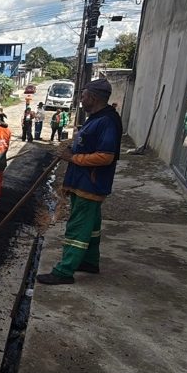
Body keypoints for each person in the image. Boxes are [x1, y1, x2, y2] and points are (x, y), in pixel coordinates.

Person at [36, 79, 123, 285]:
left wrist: (72, 158)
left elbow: (106, 156)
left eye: (83, 96)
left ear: (92, 98)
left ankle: (64, 271)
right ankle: (89, 261)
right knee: (91, 225)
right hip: (84, 183)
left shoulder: (107, 121)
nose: (81, 100)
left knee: (77, 227)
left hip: (89, 184)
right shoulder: (98, 118)